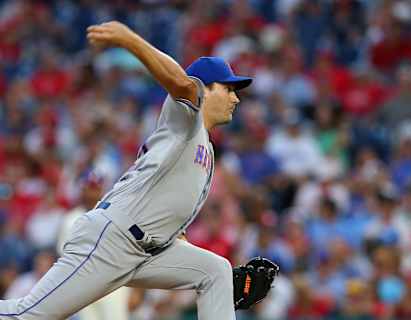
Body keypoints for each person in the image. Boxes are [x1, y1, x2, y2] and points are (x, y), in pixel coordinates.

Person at [0, 21, 252, 320]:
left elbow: (171, 214)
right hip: (112, 239)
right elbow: (182, 84)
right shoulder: (187, 119)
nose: (235, 98)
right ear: (205, 89)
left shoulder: (206, 150)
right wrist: (130, 40)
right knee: (28, 316)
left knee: (216, 271)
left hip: (148, 250)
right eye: (228, 88)